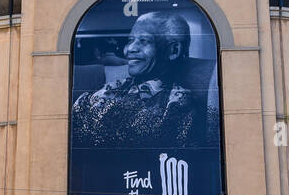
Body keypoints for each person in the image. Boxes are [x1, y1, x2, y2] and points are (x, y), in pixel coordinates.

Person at [70, 11, 210, 150]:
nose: (129, 49)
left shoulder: (178, 105)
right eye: (130, 41)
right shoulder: (110, 88)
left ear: (174, 50)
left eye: (144, 41)